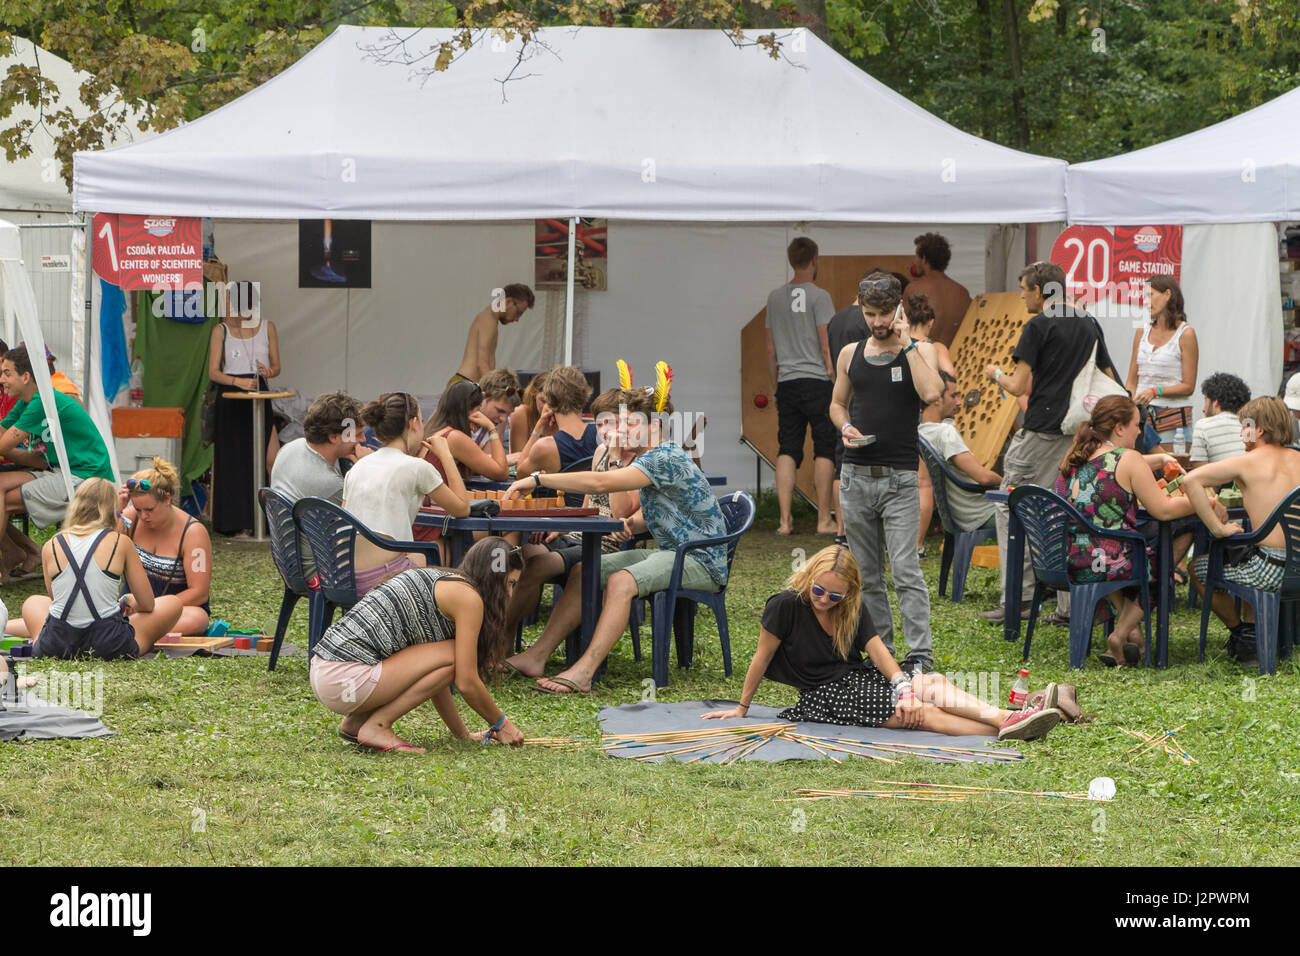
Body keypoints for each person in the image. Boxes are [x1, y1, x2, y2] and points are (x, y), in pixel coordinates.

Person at [701, 545, 1064, 741]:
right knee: (922, 716)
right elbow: (761, 658)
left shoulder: (852, 608)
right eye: (818, 590)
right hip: (825, 695)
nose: (824, 600)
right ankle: (1014, 725)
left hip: (859, 679)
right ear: (808, 576)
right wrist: (741, 708)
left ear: (850, 593)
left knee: (929, 684)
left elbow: (878, 652)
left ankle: (1010, 720)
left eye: (835, 596)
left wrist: (902, 687)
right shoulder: (785, 605)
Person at [503, 400, 727, 694]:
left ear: (655, 426)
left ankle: (584, 672)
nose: (620, 430)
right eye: (619, 423)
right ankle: (536, 656)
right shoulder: (652, 458)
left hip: (700, 559)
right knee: (586, 569)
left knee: (621, 582)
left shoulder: (663, 458)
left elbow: (599, 483)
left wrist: (538, 478)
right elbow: (672, 508)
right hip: (671, 551)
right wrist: (634, 525)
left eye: (630, 424)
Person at [982, 261, 1117, 626]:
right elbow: (1108, 376)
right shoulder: (1088, 322)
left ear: (1041, 290)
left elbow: (1017, 385)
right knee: (1064, 512)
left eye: (1025, 288)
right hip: (1075, 434)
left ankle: (1021, 599)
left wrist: (994, 373)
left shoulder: (1038, 325)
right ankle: (1067, 606)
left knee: (1012, 507)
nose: (1022, 295)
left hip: (1040, 432)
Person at [310, 537, 526, 753]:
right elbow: (466, 681)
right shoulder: (468, 598)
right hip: (346, 678)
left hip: (328, 675)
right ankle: (377, 727)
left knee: (452, 657)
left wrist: (462, 734)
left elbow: (436, 675)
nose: (509, 594)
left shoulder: (443, 582)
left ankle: (355, 723)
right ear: (494, 576)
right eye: (510, 583)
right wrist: (502, 725)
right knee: (456, 657)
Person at [830, 271, 943, 674]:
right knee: (868, 574)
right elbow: (837, 404)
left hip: (899, 478)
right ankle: (884, 654)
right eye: (869, 313)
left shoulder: (916, 351)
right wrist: (844, 427)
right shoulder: (850, 353)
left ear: (898, 309)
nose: (877, 322)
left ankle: (920, 657)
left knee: (907, 569)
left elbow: (932, 394)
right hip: (856, 476)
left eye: (884, 313)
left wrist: (908, 342)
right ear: (860, 308)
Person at [1054, 396, 1195, 666]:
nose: (1140, 431)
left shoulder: (1078, 456)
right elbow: (1163, 510)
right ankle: (1119, 635)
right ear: (1119, 428)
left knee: (1129, 559)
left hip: (1076, 559)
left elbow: (1116, 464)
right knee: (1159, 568)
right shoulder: (1129, 459)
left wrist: (1160, 458)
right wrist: (1200, 502)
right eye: (1136, 424)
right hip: (1112, 561)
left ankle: (1134, 637)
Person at [503, 387, 638, 639]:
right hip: (577, 535)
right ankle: (506, 637)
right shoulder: (600, 452)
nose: (606, 430)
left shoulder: (636, 462)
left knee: (538, 564)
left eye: (613, 423)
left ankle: (496, 635)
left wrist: (616, 458)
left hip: (603, 545)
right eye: (600, 423)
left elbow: (622, 510)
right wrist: (563, 524)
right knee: (520, 554)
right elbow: (588, 505)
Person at [1187, 396, 1300, 669]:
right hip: (1296, 568)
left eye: (1244, 426)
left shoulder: (1246, 462)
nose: (1241, 433)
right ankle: (1261, 633)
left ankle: (1244, 634)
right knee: (1245, 553)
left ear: (1259, 429)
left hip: (1270, 569)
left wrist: (1218, 527)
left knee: (1196, 568)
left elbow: (1191, 480)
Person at [22, 478, 182, 659]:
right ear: (111, 508)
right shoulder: (120, 542)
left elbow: (56, 599)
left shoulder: (51, 545)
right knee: (172, 603)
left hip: (58, 642)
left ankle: (39, 642)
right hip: (109, 643)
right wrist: (128, 600)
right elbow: (147, 604)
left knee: (33, 602)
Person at [0, 347, 116, 578]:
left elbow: (2, 446)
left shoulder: (41, 400)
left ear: (25, 377)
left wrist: (30, 459)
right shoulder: (28, 400)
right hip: (59, 470)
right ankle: (21, 552)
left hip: (86, 478)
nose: (1, 379)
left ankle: (18, 554)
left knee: (3, 500)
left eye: (7, 373)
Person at [343, 392, 469, 595]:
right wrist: (446, 454)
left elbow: (345, 522)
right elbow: (462, 508)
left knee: (418, 553)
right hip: (382, 579)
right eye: (421, 419)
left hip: (343, 577)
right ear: (413, 423)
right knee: (456, 579)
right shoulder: (417, 467)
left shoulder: (357, 468)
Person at [765, 237, 837, 536]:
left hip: (788, 382)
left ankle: (784, 521)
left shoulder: (775, 298)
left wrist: (775, 386)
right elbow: (826, 343)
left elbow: (770, 350)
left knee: (788, 448)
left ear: (791, 260)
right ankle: (823, 519)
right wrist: (835, 378)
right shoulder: (820, 297)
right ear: (815, 260)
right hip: (818, 381)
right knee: (825, 448)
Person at [118, 458, 213, 638]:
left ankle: (129, 629)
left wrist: (151, 605)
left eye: (150, 509)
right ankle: (137, 628)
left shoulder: (193, 533)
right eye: (138, 509)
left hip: (174, 612)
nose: (143, 516)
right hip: (131, 609)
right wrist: (117, 510)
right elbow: (104, 558)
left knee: (197, 618)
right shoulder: (130, 518)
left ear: (167, 499)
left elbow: (199, 593)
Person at [208, 305, 282, 536]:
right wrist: (236, 382)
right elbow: (213, 371)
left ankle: (269, 521)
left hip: (260, 392)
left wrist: (267, 372)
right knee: (235, 460)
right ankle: (237, 522)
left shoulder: (267, 326)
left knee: (270, 458)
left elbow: (277, 367)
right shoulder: (221, 330)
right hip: (232, 396)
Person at [918, 370, 1000, 538]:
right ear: (935, 399)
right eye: (953, 396)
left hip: (953, 518)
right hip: (980, 515)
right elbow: (984, 478)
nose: (959, 402)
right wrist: (1009, 484)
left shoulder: (921, 433)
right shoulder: (945, 433)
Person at [908, 292, 957, 557]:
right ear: (931, 322)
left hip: (902, 415)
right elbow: (951, 377)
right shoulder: (936, 348)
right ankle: (916, 545)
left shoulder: (898, 345)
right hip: (927, 416)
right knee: (923, 484)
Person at [1125, 277, 1198, 450]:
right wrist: (1131, 406)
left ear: (1167, 295)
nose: (1146, 302)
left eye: (1150, 295)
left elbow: (1188, 386)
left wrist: (1156, 391)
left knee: (1169, 472)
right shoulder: (1142, 332)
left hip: (1173, 419)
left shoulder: (1186, 334)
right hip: (1141, 416)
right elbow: (1132, 380)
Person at [825, 279, 871, 545]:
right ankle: (855, 529)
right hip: (861, 397)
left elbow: (830, 361)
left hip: (839, 396)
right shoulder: (865, 321)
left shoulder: (836, 319)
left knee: (839, 462)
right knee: (856, 459)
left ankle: (840, 530)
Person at [270, 390, 362, 504]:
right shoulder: (332, 485)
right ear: (333, 437)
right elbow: (364, 514)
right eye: (357, 435)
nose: (363, 439)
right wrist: (365, 467)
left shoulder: (289, 447)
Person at [449, 284, 534, 390]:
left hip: (466, 384)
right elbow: (482, 363)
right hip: (466, 385)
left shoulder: (489, 318)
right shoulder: (488, 320)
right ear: (508, 302)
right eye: (519, 313)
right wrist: (496, 391)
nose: (517, 319)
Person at [516, 366, 596, 476]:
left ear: (549, 400)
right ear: (584, 394)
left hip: (558, 493)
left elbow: (520, 473)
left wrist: (538, 428)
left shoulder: (545, 446)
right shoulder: (602, 435)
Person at [424, 381, 510, 482]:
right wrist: (491, 428)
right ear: (467, 410)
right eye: (478, 410)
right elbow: (501, 473)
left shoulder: (434, 428)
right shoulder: (455, 437)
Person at [905, 233, 972, 348]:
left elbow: (903, 330)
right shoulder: (963, 293)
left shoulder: (913, 289)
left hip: (924, 358)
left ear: (924, 259)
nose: (914, 261)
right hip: (953, 359)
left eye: (916, 256)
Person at [1189, 373, 1250, 469]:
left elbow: (1200, 473)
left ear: (1215, 402)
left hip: (1221, 482)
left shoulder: (1202, 426)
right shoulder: (1250, 425)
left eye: (1206, 400)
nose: (1203, 409)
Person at [473, 368, 522, 457]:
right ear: (482, 397)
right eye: (500, 410)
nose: (503, 418)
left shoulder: (498, 422)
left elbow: (489, 465)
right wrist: (508, 460)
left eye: (508, 414)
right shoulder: (460, 416)